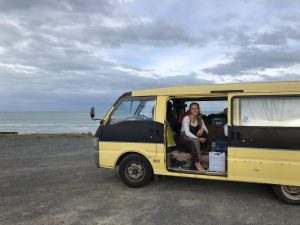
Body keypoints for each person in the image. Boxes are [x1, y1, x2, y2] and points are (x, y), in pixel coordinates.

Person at [178, 102, 208, 173]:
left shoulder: (200, 119)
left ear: (198, 109)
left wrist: (202, 129)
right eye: (193, 109)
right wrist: (197, 138)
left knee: (203, 135)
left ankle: (203, 150)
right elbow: (187, 132)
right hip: (184, 137)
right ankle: (197, 162)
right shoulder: (187, 118)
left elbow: (207, 131)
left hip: (193, 137)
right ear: (190, 110)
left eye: (196, 108)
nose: (195, 110)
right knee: (195, 141)